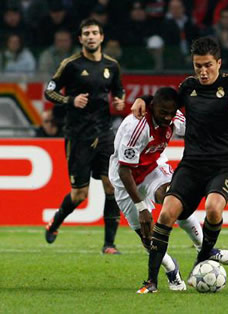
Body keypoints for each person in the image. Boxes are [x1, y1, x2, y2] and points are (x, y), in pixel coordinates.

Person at [132, 37, 228, 293]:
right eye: (198, 66)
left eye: (208, 65)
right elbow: (165, 101)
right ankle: (151, 281)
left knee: (214, 208)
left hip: (227, 164)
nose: (203, 72)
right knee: (166, 214)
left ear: (218, 62)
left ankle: (202, 259)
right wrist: (144, 99)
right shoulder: (189, 86)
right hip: (193, 164)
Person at [109, 87, 228, 292]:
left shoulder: (174, 116)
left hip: (153, 169)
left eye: (172, 112)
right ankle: (171, 268)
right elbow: (125, 171)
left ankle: (205, 247)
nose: (168, 117)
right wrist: (142, 207)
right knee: (147, 237)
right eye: (163, 113)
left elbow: (199, 126)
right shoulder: (136, 127)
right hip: (125, 180)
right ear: (152, 107)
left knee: (176, 201)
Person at [43, 18, 125, 254]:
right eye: (86, 33)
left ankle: (109, 244)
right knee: (80, 195)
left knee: (111, 185)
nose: (90, 36)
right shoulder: (71, 65)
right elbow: (50, 90)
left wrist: (119, 98)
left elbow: (117, 87)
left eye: (94, 32)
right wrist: (70, 100)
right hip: (78, 135)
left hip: (105, 133)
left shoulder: (112, 65)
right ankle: (55, 222)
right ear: (80, 39)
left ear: (101, 37)